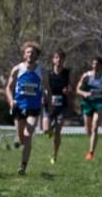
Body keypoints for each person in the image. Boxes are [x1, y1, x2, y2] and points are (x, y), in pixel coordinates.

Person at [5, 42, 47, 176]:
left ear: (37, 56)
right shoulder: (17, 69)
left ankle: (23, 166)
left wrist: (47, 102)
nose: (30, 55)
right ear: (24, 54)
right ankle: (19, 138)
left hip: (34, 107)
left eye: (33, 53)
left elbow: (47, 89)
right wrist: (11, 101)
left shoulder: (42, 71)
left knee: (28, 135)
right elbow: (8, 87)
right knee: (21, 137)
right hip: (19, 106)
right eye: (28, 52)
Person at [76, 57, 102, 160]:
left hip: (99, 103)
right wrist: (84, 93)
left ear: (101, 66)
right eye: (94, 64)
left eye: (98, 64)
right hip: (87, 103)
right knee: (88, 129)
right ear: (91, 65)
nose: (95, 66)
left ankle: (91, 152)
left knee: (95, 127)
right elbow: (78, 89)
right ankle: (92, 140)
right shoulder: (86, 76)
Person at [44, 50, 70, 164]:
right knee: (46, 130)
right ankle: (50, 130)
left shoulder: (67, 73)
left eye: (61, 58)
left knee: (58, 130)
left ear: (64, 60)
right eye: (56, 57)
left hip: (62, 105)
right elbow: (44, 87)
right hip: (49, 105)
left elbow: (71, 87)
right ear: (53, 60)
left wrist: (68, 90)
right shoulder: (48, 74)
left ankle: (54, 155)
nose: (59, 60)